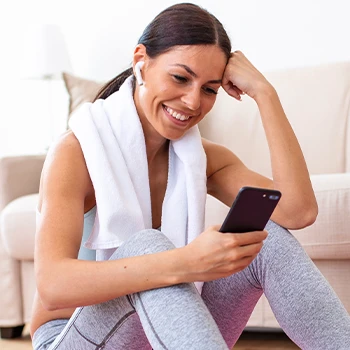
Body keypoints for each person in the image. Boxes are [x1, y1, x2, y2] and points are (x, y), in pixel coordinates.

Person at [31, 3, 350, 350]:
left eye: (210, 89)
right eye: (180, 78)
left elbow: (299, 211)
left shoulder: (203, 159)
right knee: (145, 246)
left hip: (167, 332)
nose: (192, 101)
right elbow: (52, 285)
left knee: (265, 235)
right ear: (141, 62)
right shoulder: (78, 151)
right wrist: (187, 262)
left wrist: (265, 94)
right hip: (72, 338)